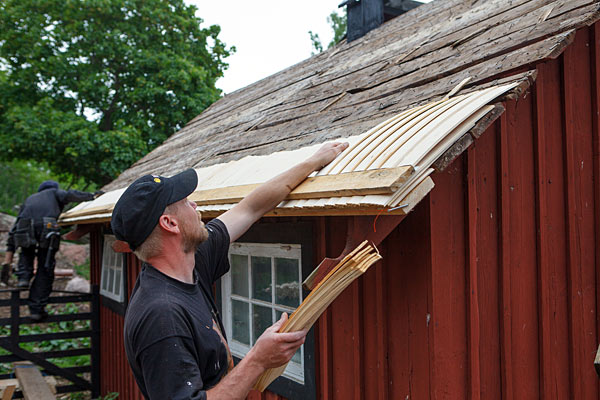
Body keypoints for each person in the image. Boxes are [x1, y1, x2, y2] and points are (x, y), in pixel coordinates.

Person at [111, 141, 348, 400]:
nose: (195, 205)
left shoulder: (191, 261)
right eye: (186, 201)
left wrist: (314, 161)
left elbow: (251, 208)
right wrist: (258, 359)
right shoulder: (161, 316)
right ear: (169, 223)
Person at [3, 180, 101, 321]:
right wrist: (91, 196)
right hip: (46, 225)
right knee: (45, 267)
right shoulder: (54, 192)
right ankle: (36, 310)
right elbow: (70, 195)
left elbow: (14, 231)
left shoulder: (30, 199)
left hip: (25, 226)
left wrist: (8, 260)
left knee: (26, 251)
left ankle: (23, 278)